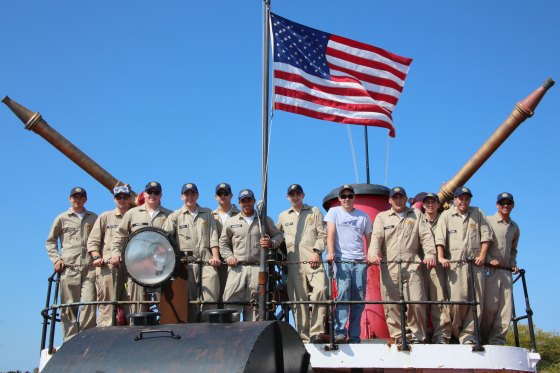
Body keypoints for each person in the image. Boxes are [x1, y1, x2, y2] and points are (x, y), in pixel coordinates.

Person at [368, 187, 436, 344]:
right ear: (390, 200)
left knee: (417, 302)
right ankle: (398, 336)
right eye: (395, 197)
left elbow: (425, 235)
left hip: (412, 265)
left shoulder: (416, 214)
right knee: (391, 304)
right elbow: (377, 237)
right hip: (389, 266)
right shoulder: (382, 217)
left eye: (401, 197)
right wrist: (373, 253)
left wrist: (430, 253)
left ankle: (418, 336)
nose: (398, 200)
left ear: (406, 199)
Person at [435, 186, 492, 344]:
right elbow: (440, 239)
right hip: (455, 264)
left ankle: (469, 335)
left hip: (475, 264)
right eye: (461, 198)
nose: (464, 201)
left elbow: (486, 236)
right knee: (457, 299)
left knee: (477, 300)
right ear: (454, 199)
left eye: (467, 198)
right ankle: (456, 330)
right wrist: (440, 257)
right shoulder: (446, 216)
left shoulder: (478, 213)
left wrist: (482, 256)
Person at [219, 188, 283, 321]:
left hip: (257, 268)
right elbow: (223, 243)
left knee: (255, 305)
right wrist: (229, 256)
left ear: (254, 201)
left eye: (249, 200)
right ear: (239, 202)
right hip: (237, 269)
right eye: (243, 201)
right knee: (231, 302)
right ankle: (232, 338)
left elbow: (279, 235)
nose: (246, 203)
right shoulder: (231, 221)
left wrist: (270, 243)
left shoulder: (264, 220)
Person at [111, 181, 172, 314]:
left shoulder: (169, 215)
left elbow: (175, 240)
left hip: (160, 266)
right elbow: (119, 235)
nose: (152, 195)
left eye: (156, 192)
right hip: (137, 265)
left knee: (162, 304)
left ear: (161, 195)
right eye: (150, 192)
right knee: (137, 306)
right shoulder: (132, 214)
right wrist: (115, 253)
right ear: (144, 194)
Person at [277, 184, 327, 343]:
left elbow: (323, 235)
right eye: (291, 194)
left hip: (313, 260)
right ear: (287, 197)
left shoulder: (314, 211)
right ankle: (303, 337)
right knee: (298, 298)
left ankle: (316, 332)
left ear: (303, 195)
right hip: (293, 263)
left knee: (321, 290)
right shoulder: (283, 216)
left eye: (298, 193)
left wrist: (317, 252)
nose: (295, 196)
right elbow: (277, 237)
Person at [46, 187, 98, 341]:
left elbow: (99, 239)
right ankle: (70, 341)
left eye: (81, 197)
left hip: (89, 268)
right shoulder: (61, 218)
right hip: (69, 268)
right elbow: (50, 241)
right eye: (75, 197)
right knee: (68, 306)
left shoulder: (93, 218)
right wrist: (56, 259)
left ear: (86, 199)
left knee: (89, 303)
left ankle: (86, 338)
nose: (78, 200)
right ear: (70, 199)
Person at [163, 183, 221, 322]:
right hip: (186, 264)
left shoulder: (207, 213)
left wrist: (215, 257)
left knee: (211, 298)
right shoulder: (175, 216)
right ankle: (192, 332)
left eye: (193, 194)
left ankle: (210, 330)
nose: (190, 197)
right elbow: (165, 238)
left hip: (207, 262)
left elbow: (213, 236)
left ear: (197, 195)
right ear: (182, 196)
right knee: (188, 300)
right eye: (187, 194)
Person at [324, 184, 372, 344]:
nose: (346, 199)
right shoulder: (334, 212)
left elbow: (369, 238)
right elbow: (330, 233)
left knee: (358, 299)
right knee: (343, 294)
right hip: (342, 260)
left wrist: (370, 255)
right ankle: (340, 332)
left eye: (350, 196)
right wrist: (330, 253)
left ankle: (355, 336)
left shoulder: (364, 216)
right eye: (343, 196)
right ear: (339, 199)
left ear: (354, 198)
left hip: (359, 262)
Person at [86, 185, 132, 326]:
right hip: (109, 267)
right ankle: (104, 337)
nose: (122, 200)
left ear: (130, 199)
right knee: (107, 304)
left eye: (125, 197)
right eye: (119, 197)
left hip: (132, 267)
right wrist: (96, 257)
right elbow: (93, 241)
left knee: (131, 302)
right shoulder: (105, 217)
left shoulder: (135, 216)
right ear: (114, 199)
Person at [481, 192, 520, 345]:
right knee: (490, 307)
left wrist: (513, 263)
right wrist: (490, 260)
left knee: (506, 307)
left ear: (513, 206)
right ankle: (484, 337)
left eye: (508, 203)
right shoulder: (488, 221)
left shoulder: (514, 227)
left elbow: (513, 250)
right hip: (489, 269)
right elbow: (481, 244)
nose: (505, 206)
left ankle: (498, 339)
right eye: (502, 203)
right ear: (497, 205)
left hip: (506, 271)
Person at [420, 192, 452, 344]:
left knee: (440, 301)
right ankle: (421, 336)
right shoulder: (417, 220)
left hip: (438, 268)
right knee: (418, 302)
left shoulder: (444, 221)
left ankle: (441, 336)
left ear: (439, 205)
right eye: (427, 202)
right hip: (419, 267)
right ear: (423, 205)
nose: (430, 205)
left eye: (433, 202)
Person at [211, 183, 240, 306]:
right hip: (216, 263)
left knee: (234, 297)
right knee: (215, 296)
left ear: (231, 195)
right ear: (215, 197)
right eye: (220, 194)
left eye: (226, 193)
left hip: (235, 261)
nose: (223, 196)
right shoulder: (210, 216)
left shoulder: (240, 214)